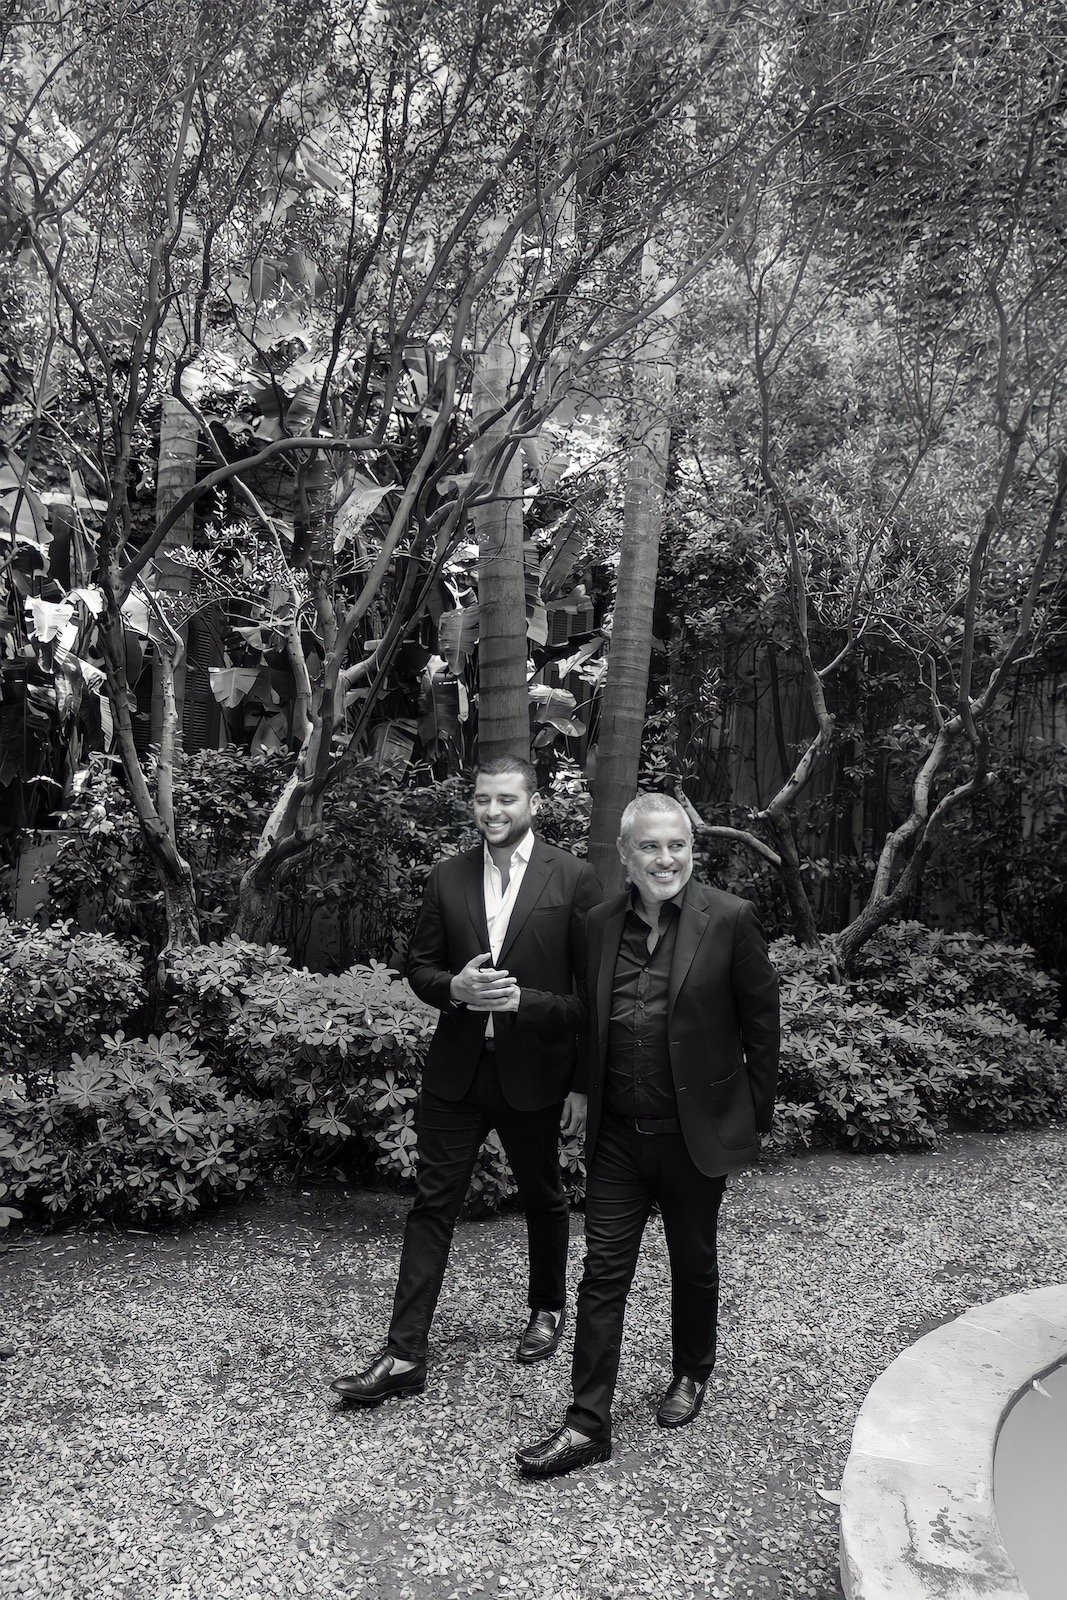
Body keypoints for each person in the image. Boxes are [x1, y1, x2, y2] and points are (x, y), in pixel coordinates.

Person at [515, 792, 779, 1477]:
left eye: (678, 846)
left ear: (691, 850)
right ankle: (586, 1424)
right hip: (618, 1137)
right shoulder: (600, 923)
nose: (666, 860)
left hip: (692, 1137)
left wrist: (749, 1121)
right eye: (651, 848)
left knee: (693, 1263)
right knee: (603, 1273)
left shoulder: (730, 919)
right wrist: (576, 1081)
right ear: (625, 857)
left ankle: (691, 1370)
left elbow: (762, 1028)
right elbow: (590, 1018)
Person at [332, 755, 601, 1406]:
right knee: (432, 1205)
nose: (492, 811)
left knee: (542, 1195)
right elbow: (419, 969)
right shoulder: (447, 876)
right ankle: (404, 1354)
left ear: (532, 803)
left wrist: (580, 1082)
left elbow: (590, 997)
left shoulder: (574, 878)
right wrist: (454, 987)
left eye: (506, 799)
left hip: (536, 1072)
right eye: (483, 799)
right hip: (457, 1073)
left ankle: (546, 1307)